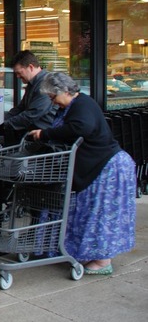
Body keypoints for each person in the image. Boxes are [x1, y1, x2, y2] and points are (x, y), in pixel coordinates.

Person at [28, 72, 136, 275]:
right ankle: (87, 253)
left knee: (99, 213)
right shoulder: (73, 106)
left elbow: (81, 128)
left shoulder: (82, 105)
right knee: (86, 212)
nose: (52, 103)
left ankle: (103, 261)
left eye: (53, 97)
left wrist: (45, 134)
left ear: (64, 91)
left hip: (106, 167)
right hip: (97, 165)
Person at [0, 50, 56, 145]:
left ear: (30, 67)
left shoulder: (45, 84)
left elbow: (32, 114)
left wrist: (1, 126)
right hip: (30, 135)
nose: (17, 76)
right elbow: (20, 108)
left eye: (19, 72)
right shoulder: (33, 84)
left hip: (43, 139)